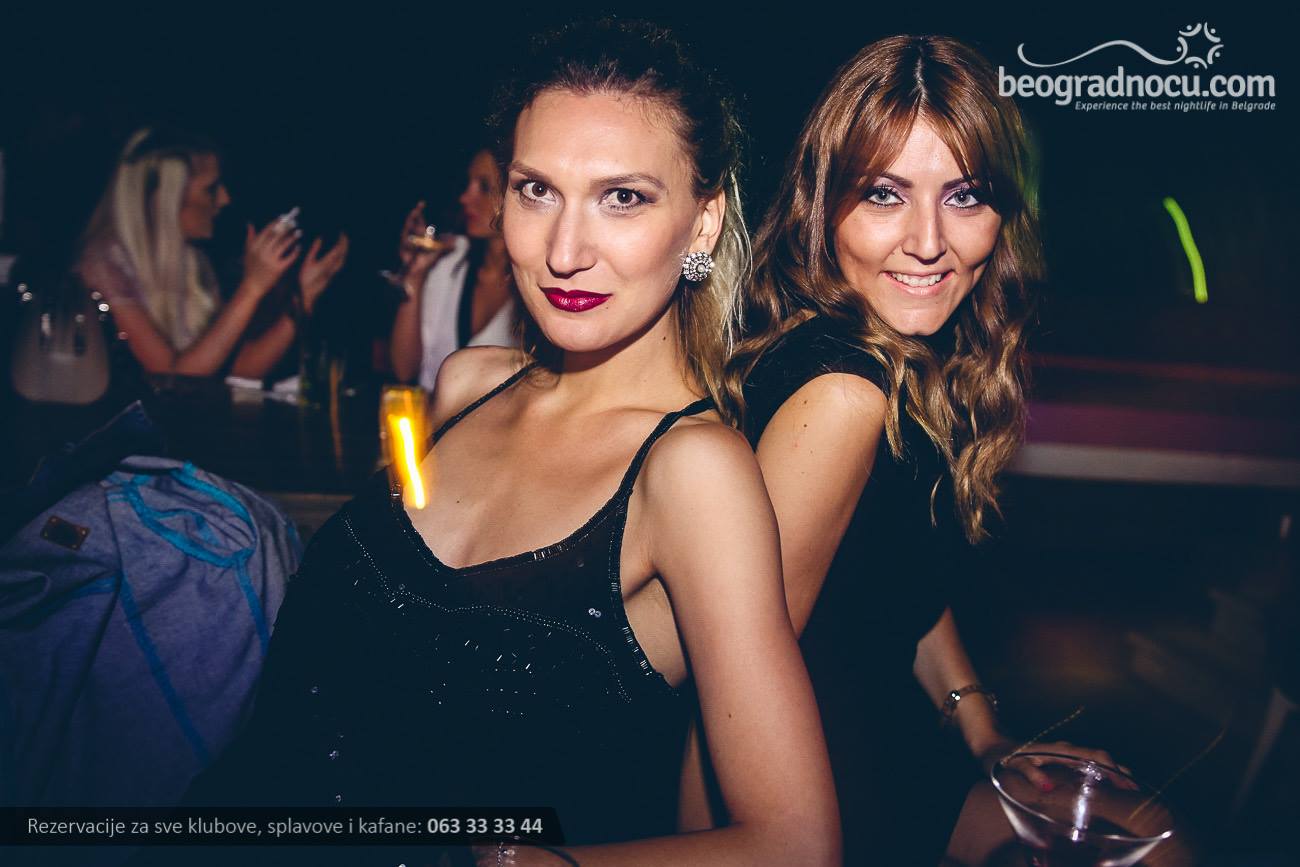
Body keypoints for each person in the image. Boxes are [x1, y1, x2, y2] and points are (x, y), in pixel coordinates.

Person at [181, 20, 839, 867]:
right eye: (536, 190)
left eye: (623, 198)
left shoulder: (693, 472)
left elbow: (795, 843)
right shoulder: (465, 384)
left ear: (703, 224)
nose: (564, 251)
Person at [678, 35, 1122, 865]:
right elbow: (724, 688)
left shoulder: (902, 357)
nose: (927, 241)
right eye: (884, 194)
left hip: (884, 742)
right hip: (829, 783)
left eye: (965, 196)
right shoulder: (843, 398)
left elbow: (897, 578)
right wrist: (717, 850)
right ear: (823, 204)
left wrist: (985, 734)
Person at [76, 127, 349, 379]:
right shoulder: (103, 264)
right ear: (168, 198)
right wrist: (252, 287)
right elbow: (174, 378)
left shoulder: (192, 262)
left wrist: (303, 299)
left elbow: (241, 370)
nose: (224, 199)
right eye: (211, 189)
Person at [388, 147, 517, 390]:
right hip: (429, 412)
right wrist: (415, 275)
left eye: (484, 187)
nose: (465, 198)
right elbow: (403, 370)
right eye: (468, 184)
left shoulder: (538, 282)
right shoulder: (448, 261)